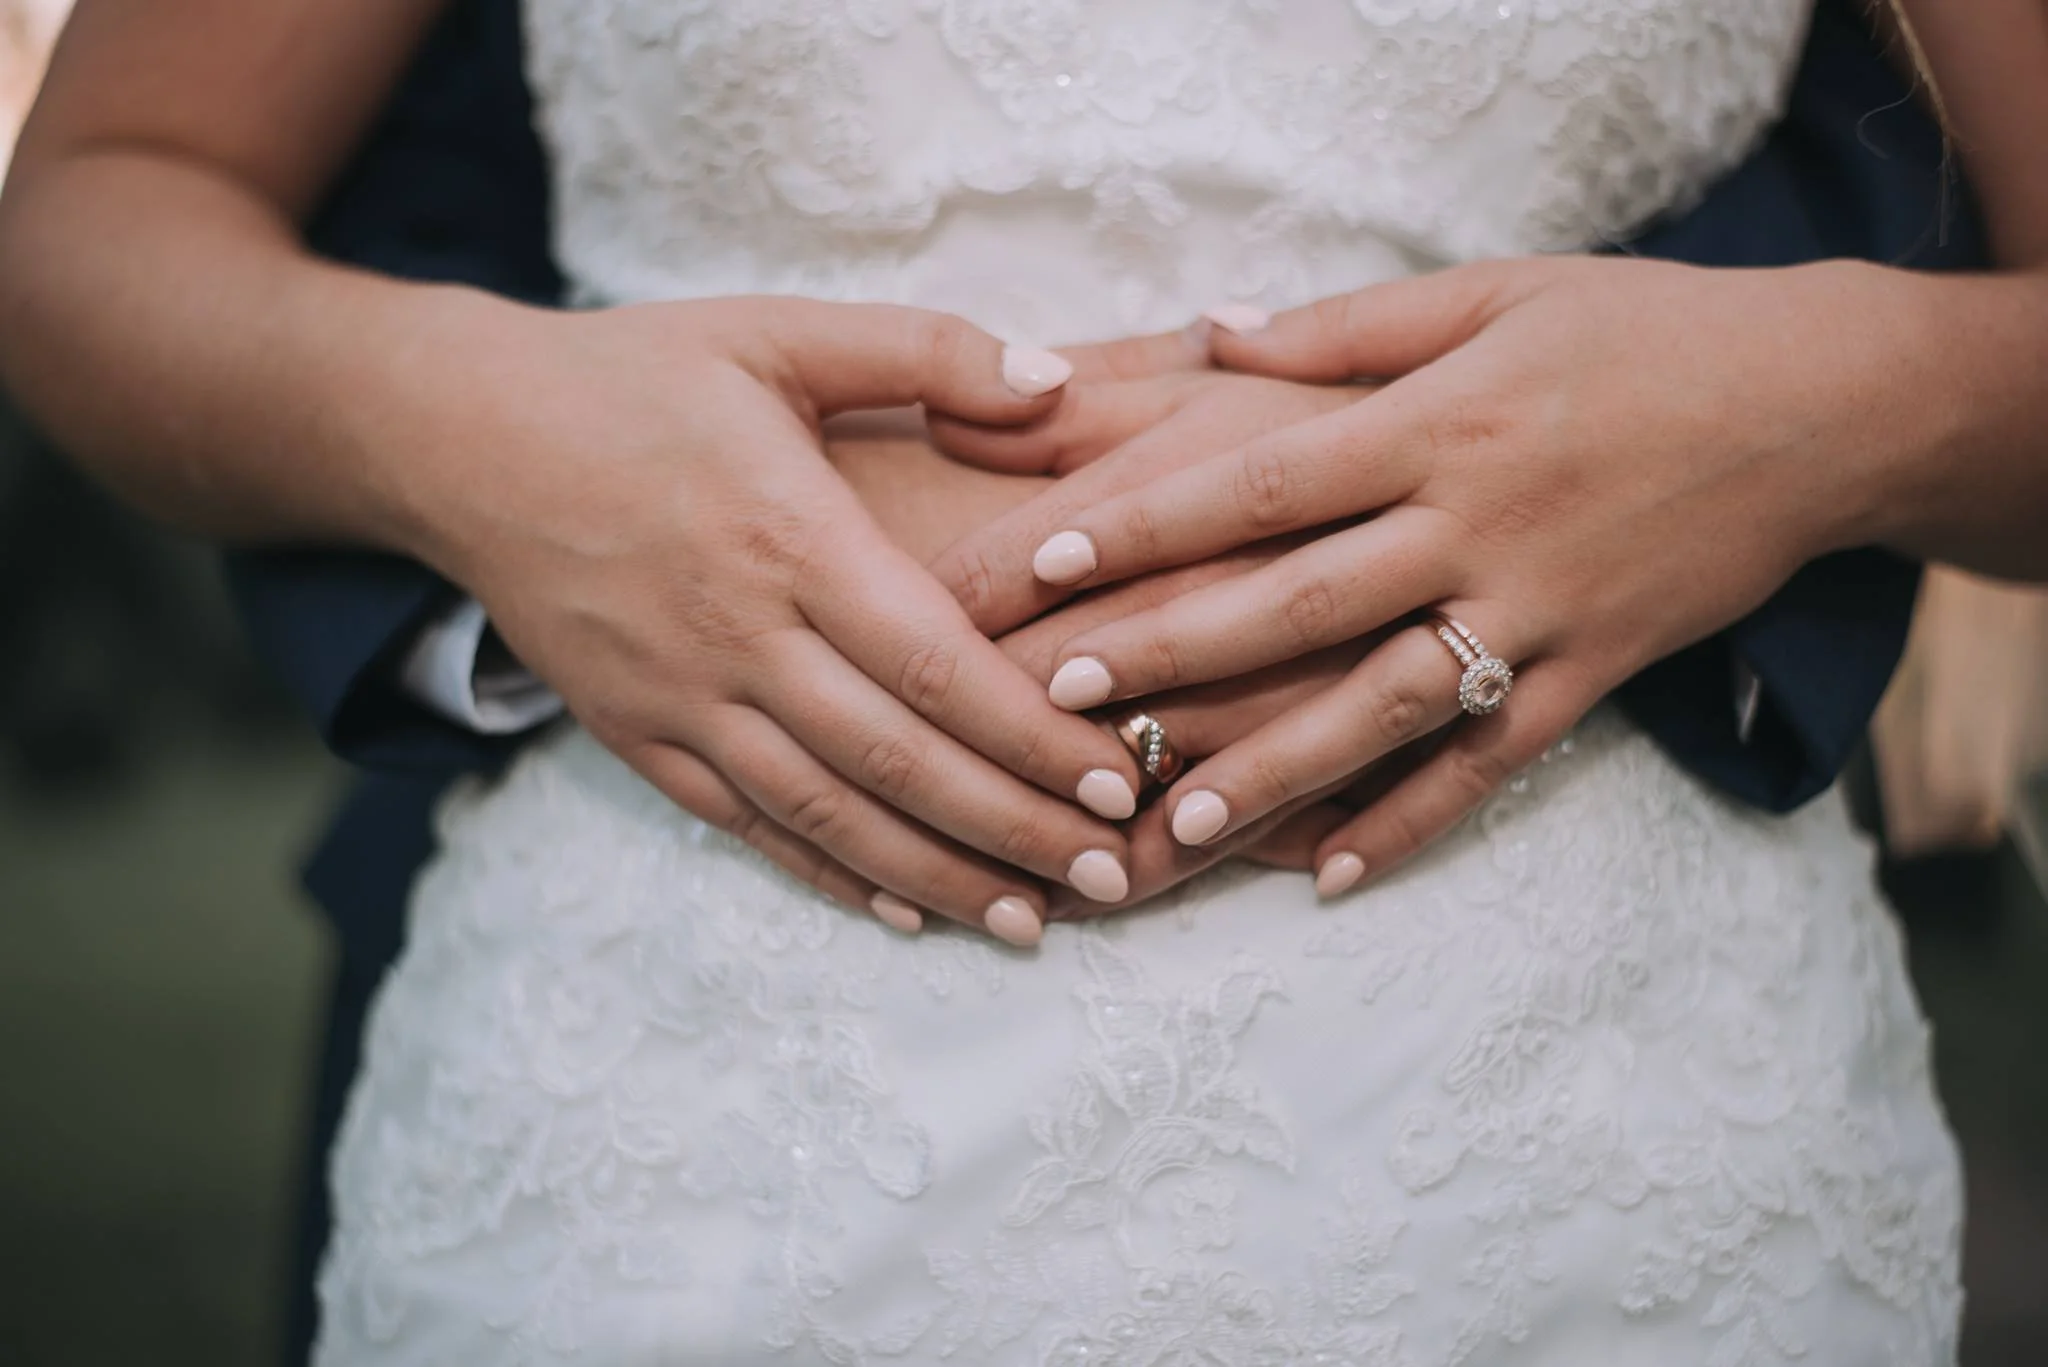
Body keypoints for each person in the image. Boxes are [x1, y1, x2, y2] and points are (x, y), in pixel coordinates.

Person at [5, 1, 2047, 1362]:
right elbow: (96, 213)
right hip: (686, 1126)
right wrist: (488, 435)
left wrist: (1811, 402)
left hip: (1589, 1141)